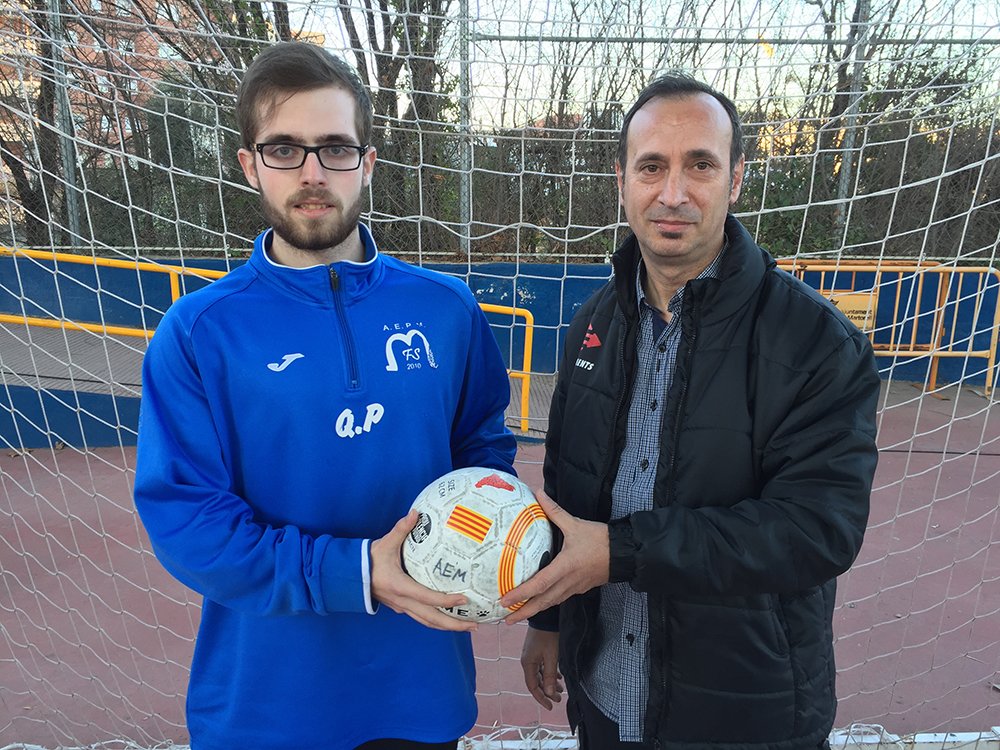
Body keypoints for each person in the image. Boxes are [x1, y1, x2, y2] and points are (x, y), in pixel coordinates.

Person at [133, 41, 517, 750]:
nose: (313, 173)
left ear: (367, 163)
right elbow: (189, 521)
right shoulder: (198, 332)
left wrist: (489, 534)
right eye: (285, 149)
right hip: (267, 707)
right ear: (249, 164)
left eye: (336, 149)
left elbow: (484, 453)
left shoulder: (447, 310)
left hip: (420, 691)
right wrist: (353, 571)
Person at [500, 73, 880, 748]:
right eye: (652, 166)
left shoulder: (818, 342)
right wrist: (551, 619)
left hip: (743, 716)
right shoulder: (594, 323)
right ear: (622, 180)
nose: (673, 193)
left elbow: (819, 530)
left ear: (735, 179)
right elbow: (568, 481)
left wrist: (622, 553)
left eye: (699, 165)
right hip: (607, 699)